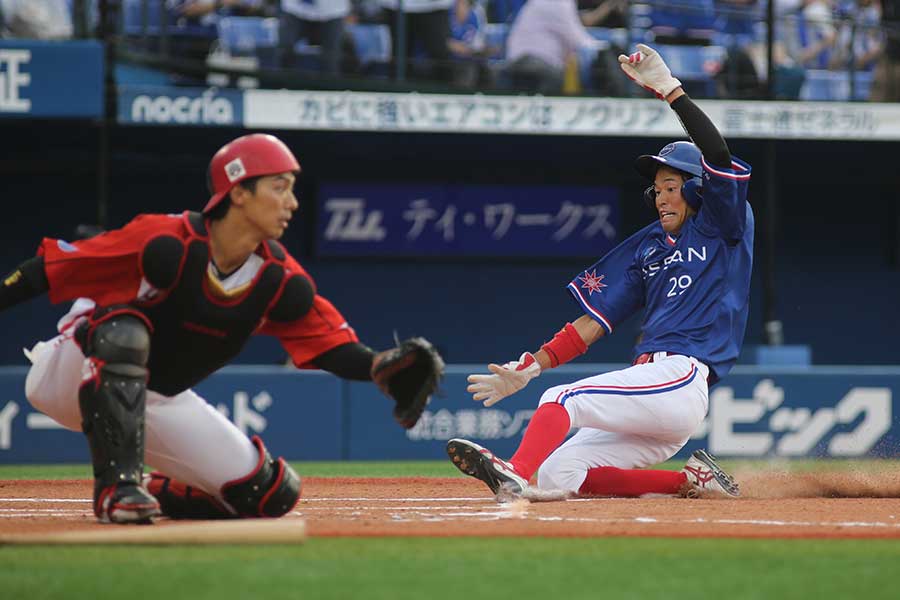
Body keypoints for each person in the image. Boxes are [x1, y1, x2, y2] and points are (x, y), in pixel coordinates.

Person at [2, 133, 440, 524]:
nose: (293, 202)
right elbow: (47, 269)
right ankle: (117, 488)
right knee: (125, 332)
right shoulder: (165, 242)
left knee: (268, 494)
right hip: (71, 370)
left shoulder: (279, 280)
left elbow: (331, 347)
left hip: (155, 398)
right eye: (279, 187)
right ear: (239, 192)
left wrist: (382, 366)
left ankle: (157, 490)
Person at [447, 44, 751, 501]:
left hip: (683, 376)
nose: (662, 196)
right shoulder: (648, 246)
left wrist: (670, 91)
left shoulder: (721, 222)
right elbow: (593, 324)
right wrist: (529, 367)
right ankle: (691, 482)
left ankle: (514, 470)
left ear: (695, 188)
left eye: (672, 186)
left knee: (563, 399)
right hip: (651, 394)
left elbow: (718, 154)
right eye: (657, 189)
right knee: (559, 475)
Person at [504, 0, 601, 94]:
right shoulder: (559, 3)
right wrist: (604, 46)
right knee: (560, 79)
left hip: (517, 60)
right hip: (531, 61)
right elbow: (578, 40)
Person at [278, 0, 351, 76]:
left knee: (330, 57)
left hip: (332, 12)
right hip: (295, 9)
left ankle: (330, 86)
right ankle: (281, 84)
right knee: (285, 50)